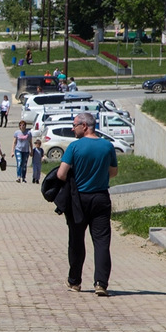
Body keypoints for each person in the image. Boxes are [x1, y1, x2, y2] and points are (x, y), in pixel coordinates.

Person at [58, 112, 118, 297]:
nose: (72, 128)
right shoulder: (107, 146)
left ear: (84, 126)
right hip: (101, 198)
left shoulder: (74, 147)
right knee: (101, 242)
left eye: (74, 124)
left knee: (76, 241)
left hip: (78, 200)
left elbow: (61, 174)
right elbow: (113, 172)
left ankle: (75, 282)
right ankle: (101, 283)